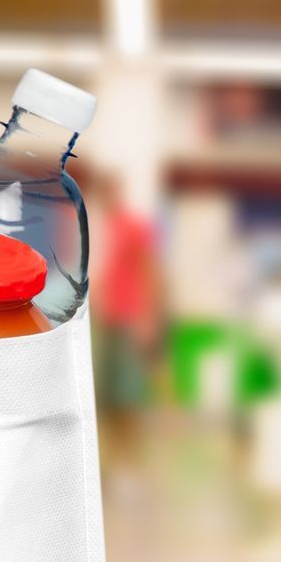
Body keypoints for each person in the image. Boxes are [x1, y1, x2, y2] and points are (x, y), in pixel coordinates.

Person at [87, 173, 162, 461]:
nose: (107, 197)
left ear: (119, 191)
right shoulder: (111, 226)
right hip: (110, 320)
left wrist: (148, 318)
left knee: (128, 395)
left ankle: (131, 460)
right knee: (110, 397)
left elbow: (150, 272)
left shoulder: (135, 226)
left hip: (131, 319)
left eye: (111, 190)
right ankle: (118, 459)